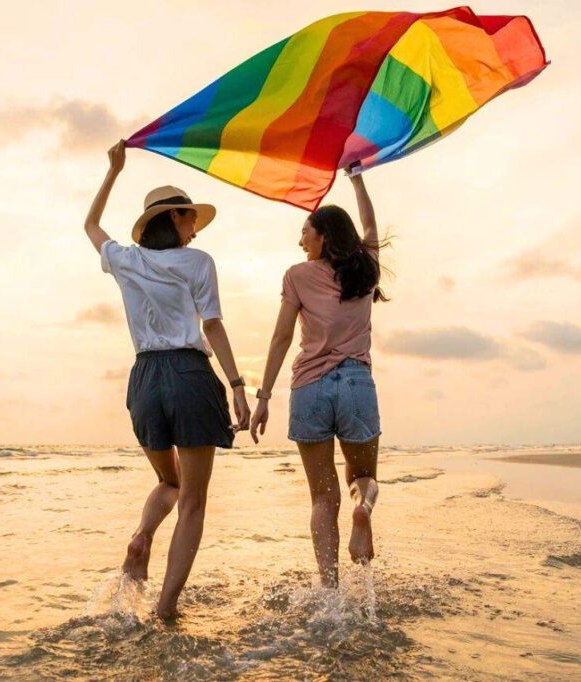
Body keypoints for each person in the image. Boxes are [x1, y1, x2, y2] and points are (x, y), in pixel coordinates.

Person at [84, 140, 251, 619]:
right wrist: (237, 386)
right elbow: (212, 326)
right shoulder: (198, 263)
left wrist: (112, 171)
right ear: (175, 217)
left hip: (144, 380)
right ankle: (165, 609)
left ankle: (141, 538)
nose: (196, 228)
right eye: (191, 217)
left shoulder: (126, 259)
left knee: (167, 481)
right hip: (189, 374)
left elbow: (91, 226)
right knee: (193, 502)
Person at [250, 169, 388, 588]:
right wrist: (358, 180)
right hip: (355, 384)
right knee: (362, 478)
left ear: (323, 235)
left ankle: (329, 591)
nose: (300, 241)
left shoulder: (296, 275)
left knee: (321, 496)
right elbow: (369, 226)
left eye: (305, 232)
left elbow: (281, 336)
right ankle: (362, 508)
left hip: (308, 388)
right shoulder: (366, 268)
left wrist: (263, 396)